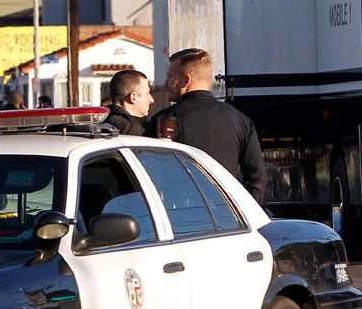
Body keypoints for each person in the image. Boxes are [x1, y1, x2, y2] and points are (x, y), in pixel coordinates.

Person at [151, 48, 265, 204]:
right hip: (231, 217)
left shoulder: (165, 120)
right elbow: (257, 176)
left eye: (170, 76)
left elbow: (151, 172)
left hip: (181, 215)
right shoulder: (240, 119)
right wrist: (248, 210)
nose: (165, 84)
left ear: (186, 81)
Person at [104, 69, 153, 136]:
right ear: (133, 97)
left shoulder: (104, 122)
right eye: (147, 94)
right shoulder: (128, 130)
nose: (151, 100)